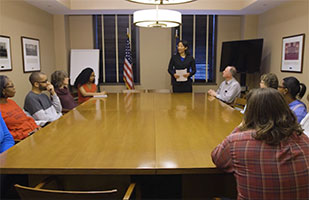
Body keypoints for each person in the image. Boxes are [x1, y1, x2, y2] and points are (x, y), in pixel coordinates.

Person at [212, 88, 309, 200]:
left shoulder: (237, 142)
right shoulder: (304, 140)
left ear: (250, 112)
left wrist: (240, 127)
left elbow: (217, 158)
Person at [0, 75, 39, 140]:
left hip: (32, 134)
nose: (14, 88)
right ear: (2, 90)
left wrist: (35, 127)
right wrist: (27, 134)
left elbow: (26, 118)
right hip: (21, 140)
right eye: (11, 86)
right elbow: (6, 134)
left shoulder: (11, 102)